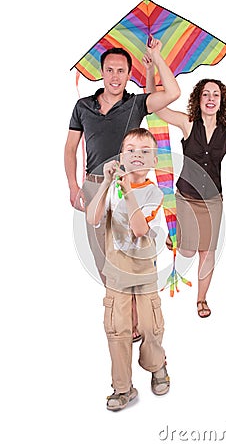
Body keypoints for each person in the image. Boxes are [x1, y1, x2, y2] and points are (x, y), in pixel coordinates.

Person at [64, 38, 180, 341]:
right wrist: (74, 186)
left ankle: (136, 319)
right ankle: (122, 313)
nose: (115, 76)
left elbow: (173, 92)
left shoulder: (136, 104)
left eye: (121, 71)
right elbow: (70, 149)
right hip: (93, 189)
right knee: (102, 258)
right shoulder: (82, 106)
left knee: (133, 256)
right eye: (110, 70)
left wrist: (156, 56)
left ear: (129, 74)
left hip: (128, 189)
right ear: (102, 72)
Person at [145, 71, 226, 318]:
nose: (210, 98)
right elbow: (157, 109)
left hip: (213, 201)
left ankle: (201, 299)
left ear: (221, 101)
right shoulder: (188, 123)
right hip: (186, 197)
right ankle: (177, 238)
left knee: (207, 251)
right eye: (205, 93)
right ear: (198, 99)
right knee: (186, 251)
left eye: (215, 94)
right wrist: (151, 72)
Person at [86, 128, 170, 411]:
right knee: (117, 329)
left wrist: (126, 189)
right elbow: (93, 218)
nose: (137, 155)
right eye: (131, 150)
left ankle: (156, 365)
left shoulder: (154, 192)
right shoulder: (112, 187)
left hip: (144, 271)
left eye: (145, 151)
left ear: (154, 161)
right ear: (122, 155)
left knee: (150, 326)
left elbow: (139, 229)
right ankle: (122, 388)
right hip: (117, 272)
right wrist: (106, 184)